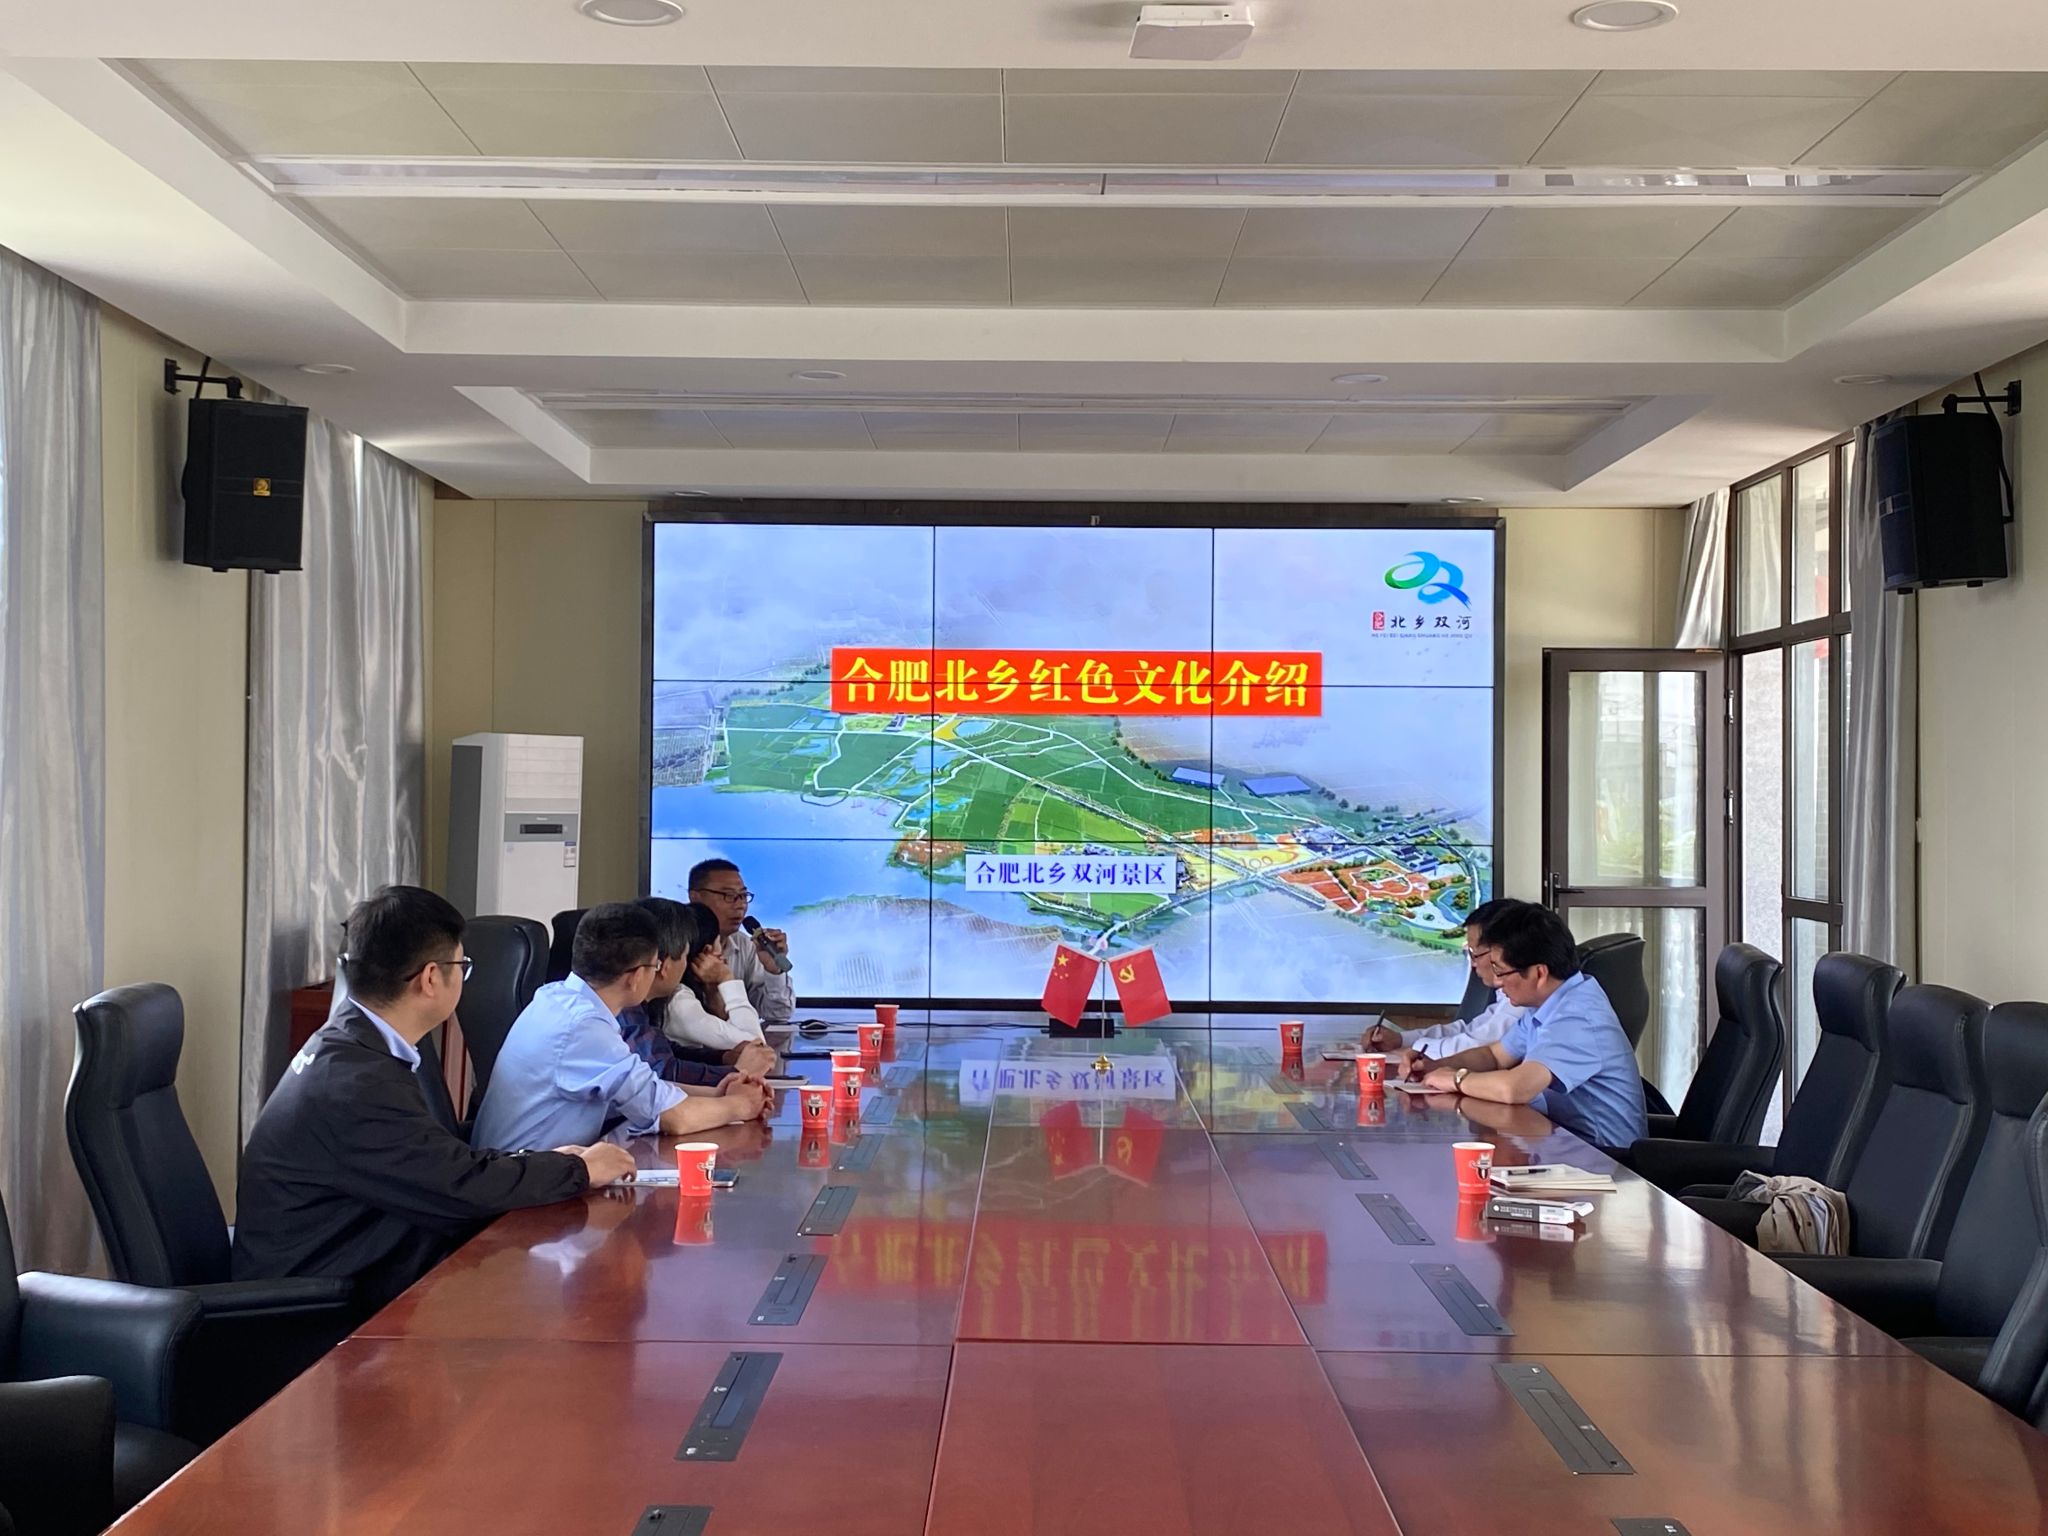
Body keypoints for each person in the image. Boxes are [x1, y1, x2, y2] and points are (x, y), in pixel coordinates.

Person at [232, 886, 637, 1310]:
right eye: (462, 966)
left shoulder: (353, 1045)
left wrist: (548, 1161)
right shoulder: (356, 1082)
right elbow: (459, 1186)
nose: (463, 978)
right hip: (320, 1309)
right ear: (430, 978)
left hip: (359, 1260)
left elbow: (433, 1160)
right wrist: (577, 1170)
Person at [472, 903, 769, 1153]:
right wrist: (741, 1105)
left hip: (530, 1171)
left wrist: (717, 1094)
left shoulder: (557, 997)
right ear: (636, 976)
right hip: (526, 1188)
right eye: (654, 966)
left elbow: (642, 1088)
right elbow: (674, 1117)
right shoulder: (584, 1028)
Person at [1403, 903, 1647, 1151]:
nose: (1498, 982)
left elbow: (1516, 1088)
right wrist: (1434, 1066)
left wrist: (1456, 1079)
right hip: (1562, 1143)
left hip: (1604, 1159)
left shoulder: (1578, 1017)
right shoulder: (1548, 1003)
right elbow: (1494, 1056)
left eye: (1501, 971)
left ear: (1539, 973)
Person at [623, 896, 778, 1082]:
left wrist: (723, 1058)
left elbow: (669, 1052)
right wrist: (728, 980)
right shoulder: (672, 1001)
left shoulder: (635, 1005)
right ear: (664, 966)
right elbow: (756, 1045)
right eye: (684, 955)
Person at [1368, 897, 1528, 1064]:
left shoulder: (1523, 999)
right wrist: (1402, 1040)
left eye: (1475, 954)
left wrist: (1417, 1050)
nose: (1473, 964)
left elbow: (1477, 1045)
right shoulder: (1509, 996)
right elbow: (1470, 1031)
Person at [688, 857, 795, 1026]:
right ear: (695, 897)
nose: (740, 905)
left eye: (743, 896)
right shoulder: (677, 943)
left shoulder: (746, 945)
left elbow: (777, 1014)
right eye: (729, 896)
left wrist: (773, 970)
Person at [661, 900, 768, 1053]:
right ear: (707, 950)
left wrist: (713, 994)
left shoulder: (687, 992)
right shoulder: (678, 1001)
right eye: (720, 943)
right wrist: (727, 979)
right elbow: (756, 1046)